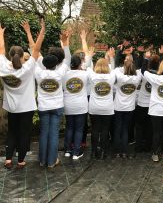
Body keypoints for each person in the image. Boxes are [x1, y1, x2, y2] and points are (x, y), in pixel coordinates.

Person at [0, 20, 45, 169]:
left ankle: (8, 160)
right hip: (26, 108)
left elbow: (1, 49)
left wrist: (1, 33)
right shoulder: (27, 68)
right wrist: (34, 32)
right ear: (21, 55)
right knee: (24, 133)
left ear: (10, 54)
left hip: (11, 107)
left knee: (12, 132)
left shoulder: (3, 67)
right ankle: (20, 161)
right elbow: (36, 50)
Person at [35, 30, 71, 168]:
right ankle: (51, 162)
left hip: (43, 107)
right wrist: (65, 42)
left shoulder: (38, 72)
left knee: (44, 133)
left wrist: (40, 35)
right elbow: (67, 59)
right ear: (56, 64)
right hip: (57, 107)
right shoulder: (59, 73)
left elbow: (35, 52)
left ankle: (42, 160)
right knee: (54, 133)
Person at [63, 30, 93, 160]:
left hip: (68, 105)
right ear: (81, 63)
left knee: (69, 127)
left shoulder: (64, 73)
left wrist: (65, 41)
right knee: (79, 129)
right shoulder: (85, 73)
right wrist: (83, 39)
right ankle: (76, 152)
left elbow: (66, 56)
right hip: (81, 106)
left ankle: (68, 150)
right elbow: (87, 56)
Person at [113, 57, 142, 158]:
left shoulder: (120, 77)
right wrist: (130, 64)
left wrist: (125, 63)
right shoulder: (137, 78)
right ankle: (124, 152)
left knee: (117, 129)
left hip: (118, 107)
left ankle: (117, 152)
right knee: (125, 129)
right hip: (129, 108)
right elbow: (139, 71)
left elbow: (116, 69)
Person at [135, 51, 160, 152]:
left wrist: (145, 58)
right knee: (150, 127)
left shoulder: (145, 74)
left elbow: (142, 70)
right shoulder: (159, 76)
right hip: (152, 105)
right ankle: (148, 146)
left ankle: (138, 146)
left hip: (141, 104)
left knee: (139, 126)